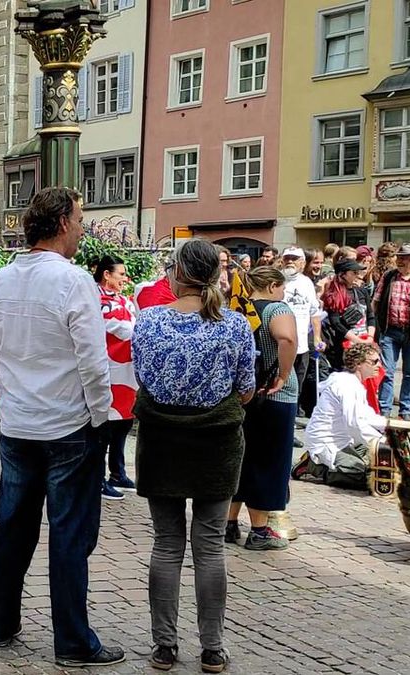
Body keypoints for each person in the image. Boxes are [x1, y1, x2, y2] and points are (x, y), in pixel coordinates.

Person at [0, 187, 122, 667]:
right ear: (61, 222)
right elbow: (93, 362)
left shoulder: (4, 280)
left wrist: (9, 396)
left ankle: (0, 623)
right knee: (70, 535)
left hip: (20, 424)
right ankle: (74, 641)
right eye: (80, 218)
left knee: (13, 528)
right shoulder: (74, 280)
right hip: (67, 425)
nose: (83, 227)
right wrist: (99, 416)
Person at [131, 238, 255, 674]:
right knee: (209, 547)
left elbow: (141, 376)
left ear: (177, 272)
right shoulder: (235, 325)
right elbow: (246, 387)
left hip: (162, 439)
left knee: (166, 544)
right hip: (216, 443)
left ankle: (165, 646)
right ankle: (212, 648)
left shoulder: (147, 321)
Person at [226, 266, 298, 551]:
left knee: (241, 458)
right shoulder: (275, 309)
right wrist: (283, 373)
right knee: (269, 461)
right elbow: (287, 338)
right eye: (282, 287)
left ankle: (228, 524)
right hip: (273, 396)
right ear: (271, 286)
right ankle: (259, 530)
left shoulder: (236, 309)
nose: (283, 293)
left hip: (243, 394)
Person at [298, 342, 388, 489]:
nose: (379, 365)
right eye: (374, 362)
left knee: (377, 462)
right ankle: (315, 466)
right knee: (366, 478)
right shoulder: (347, 385)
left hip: (346, 440)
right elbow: (355, 424)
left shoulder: (355, 384)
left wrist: (390, 426)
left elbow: (368, 417)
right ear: (358, 364)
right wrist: (382, 442)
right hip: (326, 442)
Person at [94, 255, 138, 500]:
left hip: (126, 371)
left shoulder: (125, 300)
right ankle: (97, 477)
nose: (124, 278)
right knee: (106, 426)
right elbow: (118, 328)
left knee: (123, 422)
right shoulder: (97, 300)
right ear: (106, 274)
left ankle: (117, 472)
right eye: (120, 274)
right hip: (108, 369)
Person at [374, 243, 410, 420]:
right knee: (387, 371)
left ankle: (406, 411)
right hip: (390, 332)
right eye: (398, 257)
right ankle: (385, 410)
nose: (399, 261)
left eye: (403, 258)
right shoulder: (389, 276)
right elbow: (376, 300)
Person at [280, 247, 324, 418]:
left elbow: (314, 312)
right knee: (282, 386)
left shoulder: (306, 283)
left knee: (297, 386)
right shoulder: (277, 280)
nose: (290, 261)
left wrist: (318, 337)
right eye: (287, 258)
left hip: (303, 346)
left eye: (294, 258)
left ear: (302, 263)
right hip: (282, 344)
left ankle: (290, 422)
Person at [321, 259, 375, 371]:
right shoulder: (333, 295)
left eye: (358, 272)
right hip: (345, 345)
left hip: (366, 341)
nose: (358, 275)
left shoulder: (362, 292)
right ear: (342, 274)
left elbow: (370, 316)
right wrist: (357, 340)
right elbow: (336, 323)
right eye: (354, 272)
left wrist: (369, 337)